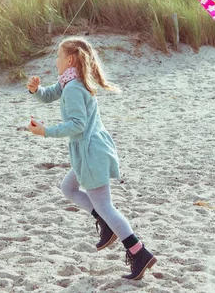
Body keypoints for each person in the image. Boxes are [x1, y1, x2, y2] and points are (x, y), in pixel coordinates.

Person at [26, 36, 156, 280]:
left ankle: (139, 253)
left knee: (105, 206)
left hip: (90, 152)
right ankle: (106, 224)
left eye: (58, 57)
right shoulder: (69, 82)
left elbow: (77, 125)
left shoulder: (74, 88)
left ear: (70, 60)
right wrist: (34, 90)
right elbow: (49, 94)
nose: (55, 61)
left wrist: (45, 131)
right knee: (69, 187)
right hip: (89, 151)